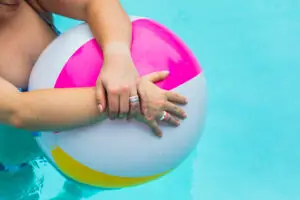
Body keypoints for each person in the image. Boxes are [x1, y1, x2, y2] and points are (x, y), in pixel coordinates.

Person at [0, 0, 188, 199]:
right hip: (11, 167)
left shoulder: (24, 4)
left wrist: (118, 57)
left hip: (76, 142)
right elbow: (19, 110)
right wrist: (129, 100)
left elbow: (96, 3)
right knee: (22, 188)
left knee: (87, 183)